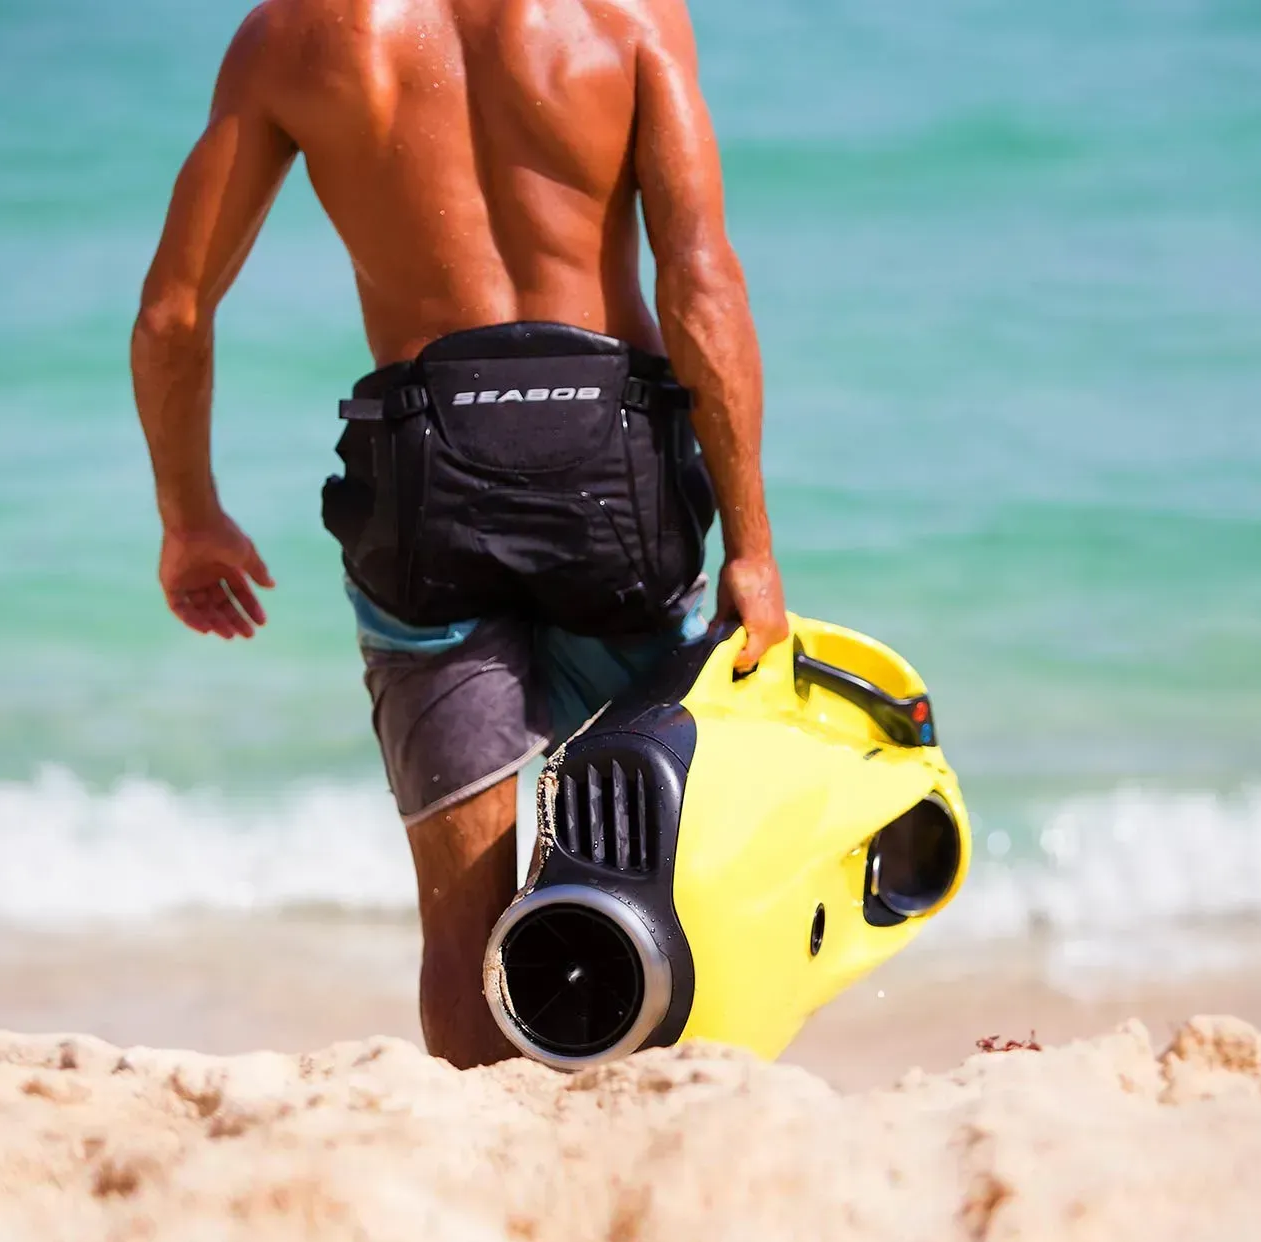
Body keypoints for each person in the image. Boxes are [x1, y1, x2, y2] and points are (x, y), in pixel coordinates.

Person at [129, 0, 787, 1068]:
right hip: (613, 479)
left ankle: (489, 1161)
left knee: (461, 926)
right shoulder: (627, 18)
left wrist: (189, 516)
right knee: (651, 875)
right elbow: (702, 280)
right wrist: (753, 546)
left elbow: (174, 312)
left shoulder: (294, 36)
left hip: (424, 481)